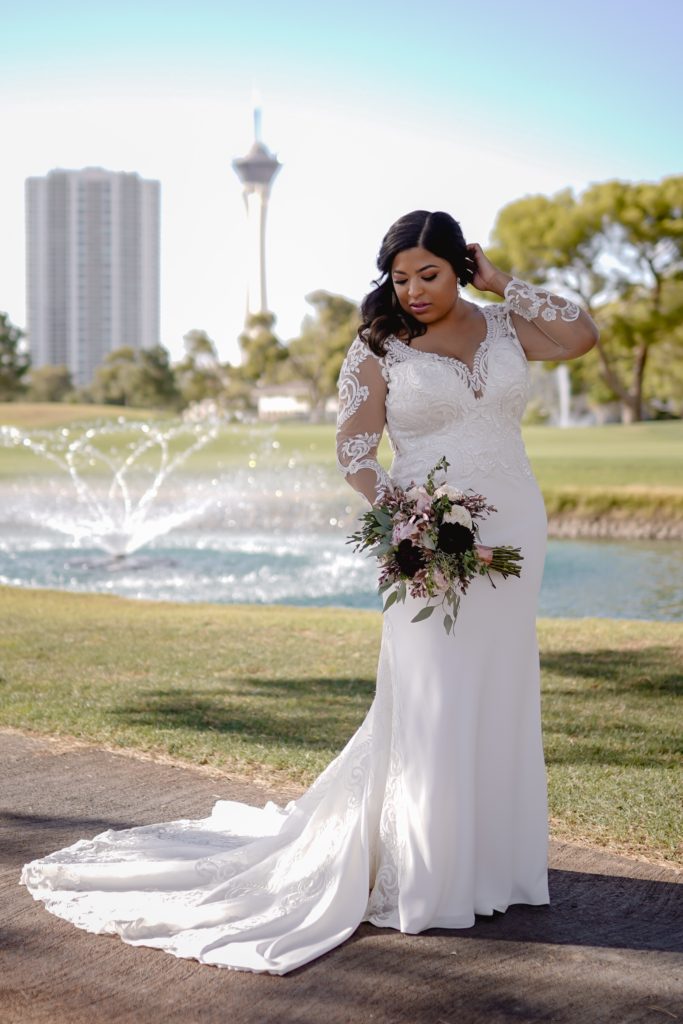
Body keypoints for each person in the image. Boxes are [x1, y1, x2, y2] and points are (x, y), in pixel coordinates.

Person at [21, 210, 598, 976]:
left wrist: (505, 285)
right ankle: (431, 869)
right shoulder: (377, 347)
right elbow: (355, 453)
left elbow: (580, 335)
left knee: (498, 684)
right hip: (423, 535)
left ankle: (494, 866)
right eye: (400, 278)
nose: (414, 290)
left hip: (515, 525)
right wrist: (409, 519)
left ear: (461, 265)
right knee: (433, 692)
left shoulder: (502, 326)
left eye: (429, 273)